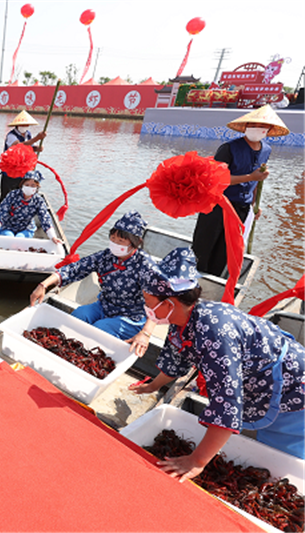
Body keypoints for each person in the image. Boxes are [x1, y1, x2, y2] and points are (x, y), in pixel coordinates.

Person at [130, 247, 305, 478]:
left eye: (147, 300)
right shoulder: (180, 322)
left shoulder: (215, 333)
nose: (145, 306)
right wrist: (152, 386)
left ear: (170, 303)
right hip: (256, 380)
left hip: (293, 386)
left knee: (279, 459)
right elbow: (175, 363)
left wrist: (197, 461)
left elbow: (227, 402)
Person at [30, 211, 157, 354]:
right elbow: (75, 268)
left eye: (121, 241)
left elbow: (160, 301)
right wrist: (43, 285)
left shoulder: (146, 265)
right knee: (78, 316)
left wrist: (146, 333)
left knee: (100, 329)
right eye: (113, 238)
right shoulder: (106, 256)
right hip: (104, 305)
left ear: (135, 243)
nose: (115, 243)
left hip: (131, 316)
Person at [191, 105, 290, 276]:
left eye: (262, 126)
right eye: (253, 124)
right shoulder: (228, 148)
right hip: (217, 205)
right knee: (203, 246)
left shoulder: (266, 150)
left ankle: (212, 281)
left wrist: (255, 204)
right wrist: (250, 177)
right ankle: (191, 280)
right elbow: (215, 180)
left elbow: (257, 180)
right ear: (245, 126)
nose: (257, 128)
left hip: (241, 208)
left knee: (225, 250)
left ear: (268, 129)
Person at [0, 170, 62, 242]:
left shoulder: (38, 200)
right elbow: (2, 212)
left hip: (26, 229)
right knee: (9, 238)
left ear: (37, 187)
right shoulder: (13, 195)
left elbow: (45, 218)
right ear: (22, 185)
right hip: (8, 226)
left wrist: (53, 237)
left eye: (33, 185)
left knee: (20, 239)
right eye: (27, 185)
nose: (29, 187)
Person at [0, 110, 47, 202]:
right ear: (17, 125)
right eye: (23, 125)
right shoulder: (11, 135)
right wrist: (37, 138)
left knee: (21, 192)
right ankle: (4, 208)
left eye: (26, 125)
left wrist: (37, 148)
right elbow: (19, 146)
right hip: (10, 169)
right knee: (7, 193)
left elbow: (29, 147)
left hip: (23, 169)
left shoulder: (28, 134)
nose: (25, 126)